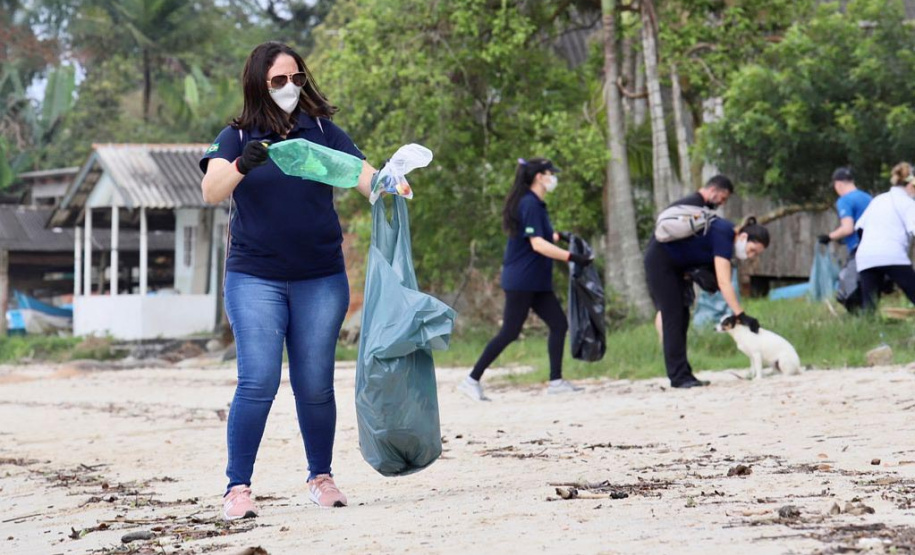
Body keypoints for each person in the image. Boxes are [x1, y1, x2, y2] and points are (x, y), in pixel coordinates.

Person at [199, 42, 379, 519]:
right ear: (259, 83)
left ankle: (321, 478)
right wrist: (243, 164)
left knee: (316, 383)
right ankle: (237, 487)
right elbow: (211, 190)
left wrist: (390, 184)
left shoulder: (322, 131)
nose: (289, 88)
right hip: (255, 276)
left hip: (320, 276)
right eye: (278, 81)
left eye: (296, 78)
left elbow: (364, 176)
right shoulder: (236, 135)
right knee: (257, 380)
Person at [458, 158, 590, 401]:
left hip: (536, 281)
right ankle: (471, 379)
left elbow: (542, 234)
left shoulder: (537, 204)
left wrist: (560, 236)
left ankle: (556, 381)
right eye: (551, 173)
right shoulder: (529, 203)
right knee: (509, 332)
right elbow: (538, 243)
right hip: (522, 280)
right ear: (540, 176)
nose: (553, 178)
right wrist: (572, 257)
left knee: (559, 324)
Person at [644, 215, 769, 388]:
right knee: (673, 318)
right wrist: (741, 314)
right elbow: (725, 283)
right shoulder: (724, 237)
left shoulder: (725, 238)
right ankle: (678, 377)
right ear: (743, 237)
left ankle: (683, 374)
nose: (750, 256)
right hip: (661, 264)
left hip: (678, 270)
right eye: (752, 250)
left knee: (682, 318)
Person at [654, 175, 734, 338]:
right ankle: (666, 345)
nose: (722, 203)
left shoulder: (700, 208)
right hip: (664, 262)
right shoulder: (692, 206)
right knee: (667, 310)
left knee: (680, 311)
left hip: (679, 267)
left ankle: (671, 348)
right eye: (722, 198)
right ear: (713, 190)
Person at [853, 162, 915, 311]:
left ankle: (865, 330)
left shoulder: (878, 199)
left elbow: (859, 228)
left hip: (866, 256)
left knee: (869, 305)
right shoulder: (908, 203)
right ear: (910, 185)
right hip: (892, 255)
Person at [818, 167, 872, 255]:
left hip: (858, 249)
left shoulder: (845, 200)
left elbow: (848, 228)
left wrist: (829, 237)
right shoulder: (868, 197)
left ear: (838, 184)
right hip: (874, 245)